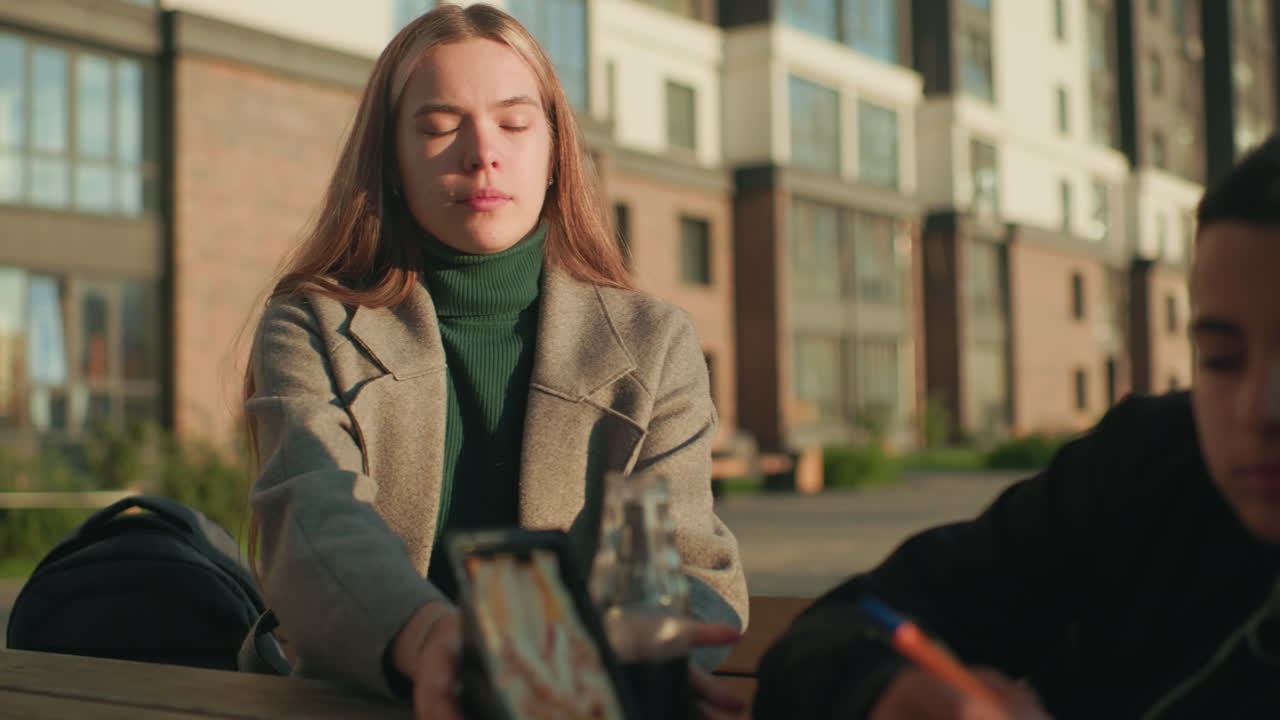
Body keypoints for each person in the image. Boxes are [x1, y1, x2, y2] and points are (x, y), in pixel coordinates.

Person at [242, 5, 748, 718]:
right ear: (390, 161)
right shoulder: (311, 325)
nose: (483, 153)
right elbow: (313, 525)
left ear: (555, 153)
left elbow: (681, 559)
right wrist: (431, 639)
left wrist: (637, 655)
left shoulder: (652, 342)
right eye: (438, 127)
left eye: (514, 123)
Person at [753, 134, 1280, 720]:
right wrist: (881, 690)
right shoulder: (1143, 467)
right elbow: (841, 629)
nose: (1259, 410)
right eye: (1220, 359)